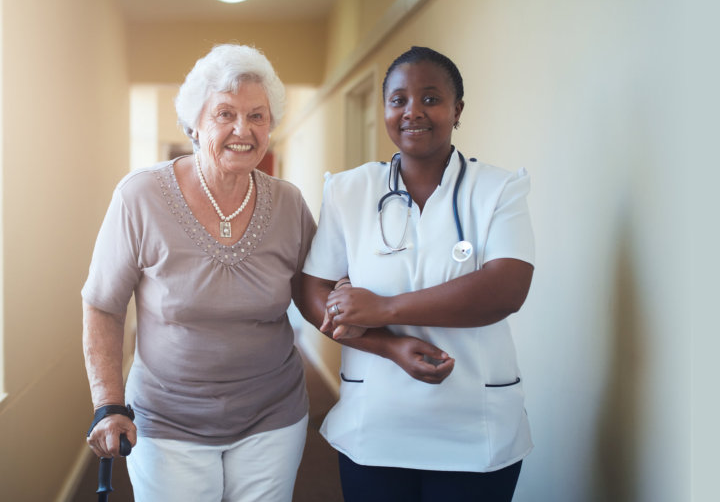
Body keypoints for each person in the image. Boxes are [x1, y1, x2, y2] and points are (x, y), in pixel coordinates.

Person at [299, 46, 535, 502]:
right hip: (376, 426)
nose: (412, 112)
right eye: (398, 100)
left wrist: (382, 307)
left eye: (430, 99)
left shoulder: (498, 189)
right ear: (385, 108)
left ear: (457, 110)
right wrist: (388, 345)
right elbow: (312, 290)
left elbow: (506, 288)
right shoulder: (350, 190)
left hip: (474, 427)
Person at [82, 44, 317, 501]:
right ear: (194, 122)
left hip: (273, 414)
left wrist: (385, 323)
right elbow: (103, 305)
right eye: (224, 114)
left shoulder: (289, 203)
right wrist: (107, 403)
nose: (242, 130)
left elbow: (317, 293)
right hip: (167, 419)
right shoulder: (141, 197)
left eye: (257, 116)